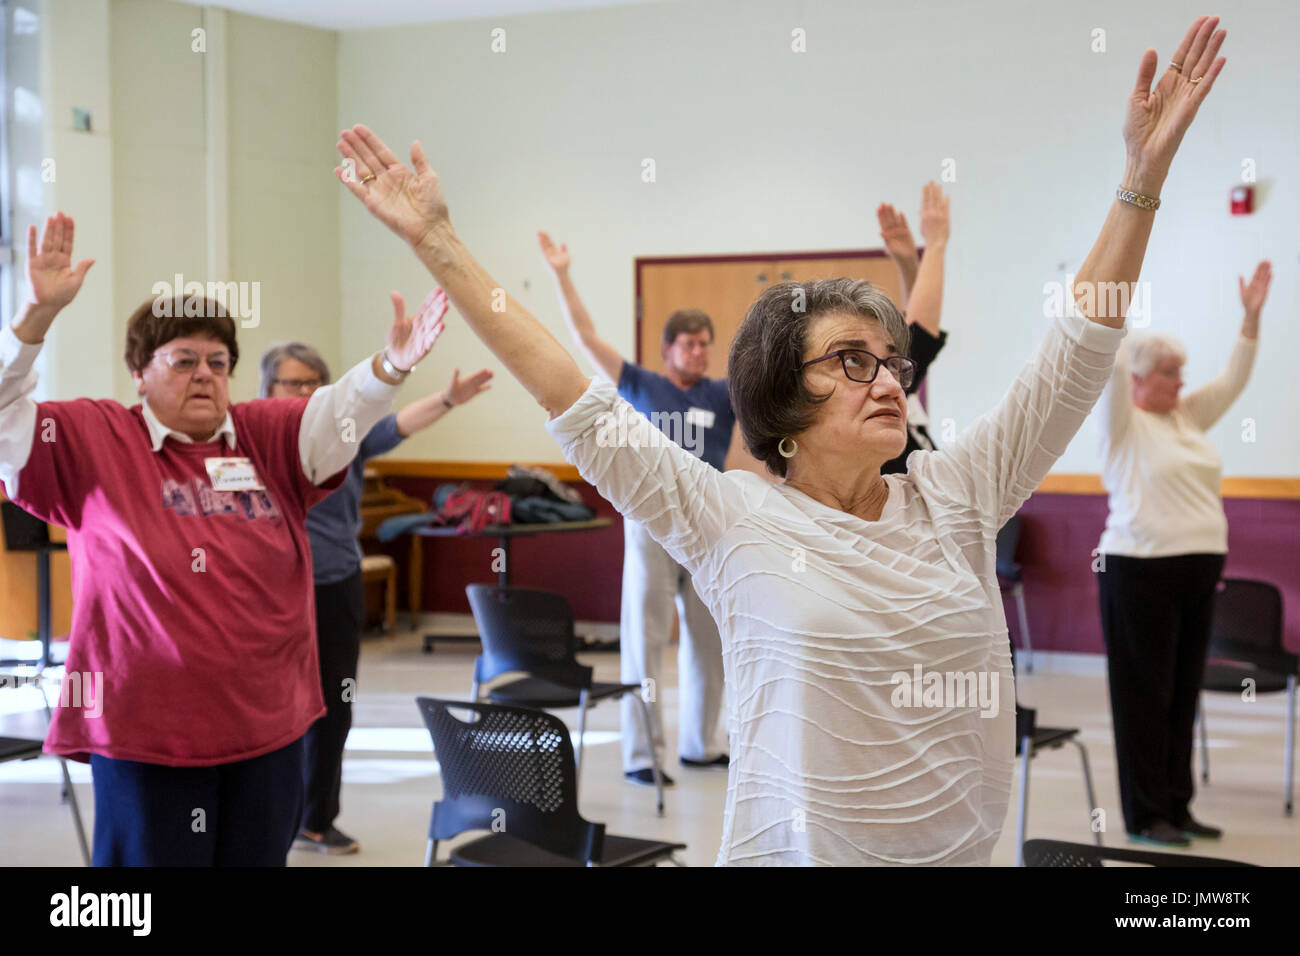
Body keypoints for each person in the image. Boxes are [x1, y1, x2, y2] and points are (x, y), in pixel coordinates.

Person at [334, 14, 1225, 864]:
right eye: (848, 361)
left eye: (888, 362)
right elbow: (573, 392)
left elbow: (1075, 351)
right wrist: (439, 241)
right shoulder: (730, 520)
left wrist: (1141, 176)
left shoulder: (959, 494)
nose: (884, 379)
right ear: (778, 402)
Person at [0, 213, 448, 866]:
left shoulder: (265, 435)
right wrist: (35, 320)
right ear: (141, 374)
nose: (204, 374)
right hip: (147, 735)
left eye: (217, 361)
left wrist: (389, 368)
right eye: (182, 361)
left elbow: (336, 413)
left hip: (267, 730)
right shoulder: (94, 437)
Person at [259, 340, 492, 854]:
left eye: (312, 381)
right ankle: (268, 815)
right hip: (271, 590)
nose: (302, 391)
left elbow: (399, 424)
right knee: (273, 710)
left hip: (336, 585)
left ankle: (315, 818)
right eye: (290, 382)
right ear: (268, 388)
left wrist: (449, 399)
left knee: (333, 706)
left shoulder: (345, 433)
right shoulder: (254, 438)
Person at [537, 231, 730, 786]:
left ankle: (701, 743)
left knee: (708, 639)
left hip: (706, 523)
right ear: (668, 349)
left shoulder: (720, 395)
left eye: (704, 345)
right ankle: (644, 756)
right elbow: (584, 336)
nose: (697, 352)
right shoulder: (641, 385)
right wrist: (562, 274)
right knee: (645, 641)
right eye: (688, 344)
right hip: (649, 523)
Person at [1096, 259, 1270, 847]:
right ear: (1141, 380)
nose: (1181, 381)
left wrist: (1250, 319)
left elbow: (1233, 380)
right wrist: (1112, 299)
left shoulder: (1188, 418)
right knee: (1144, 697)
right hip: (1138, 570)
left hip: (1198, 569)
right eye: (1169, 372)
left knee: (1181, 692)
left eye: (1181, 371)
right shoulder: (1123, 425)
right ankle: (1147, 816)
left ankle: (1177, 805)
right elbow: (1112, 363)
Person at [876, 183, 950, 473]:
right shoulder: (878, 415)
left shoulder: (901, 410)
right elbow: (919, 335)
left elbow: (914, 335)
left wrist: (908, 263)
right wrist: (936, 245)